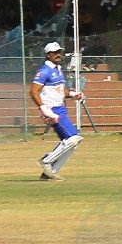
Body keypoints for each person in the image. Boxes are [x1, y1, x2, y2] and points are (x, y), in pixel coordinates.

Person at [31, 42, 84, 180]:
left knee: (72, 143)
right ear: (48, 55)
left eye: (59, 51)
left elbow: (60, 91)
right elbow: (33, 92)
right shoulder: (45, 71)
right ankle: (47, 160)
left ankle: (50, 173)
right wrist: (44, 109)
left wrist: (73, 94)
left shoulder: (58, 69)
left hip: (61, 108)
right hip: (52, 110)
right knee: (73, 138)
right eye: (55, 52)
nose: (58, 54)